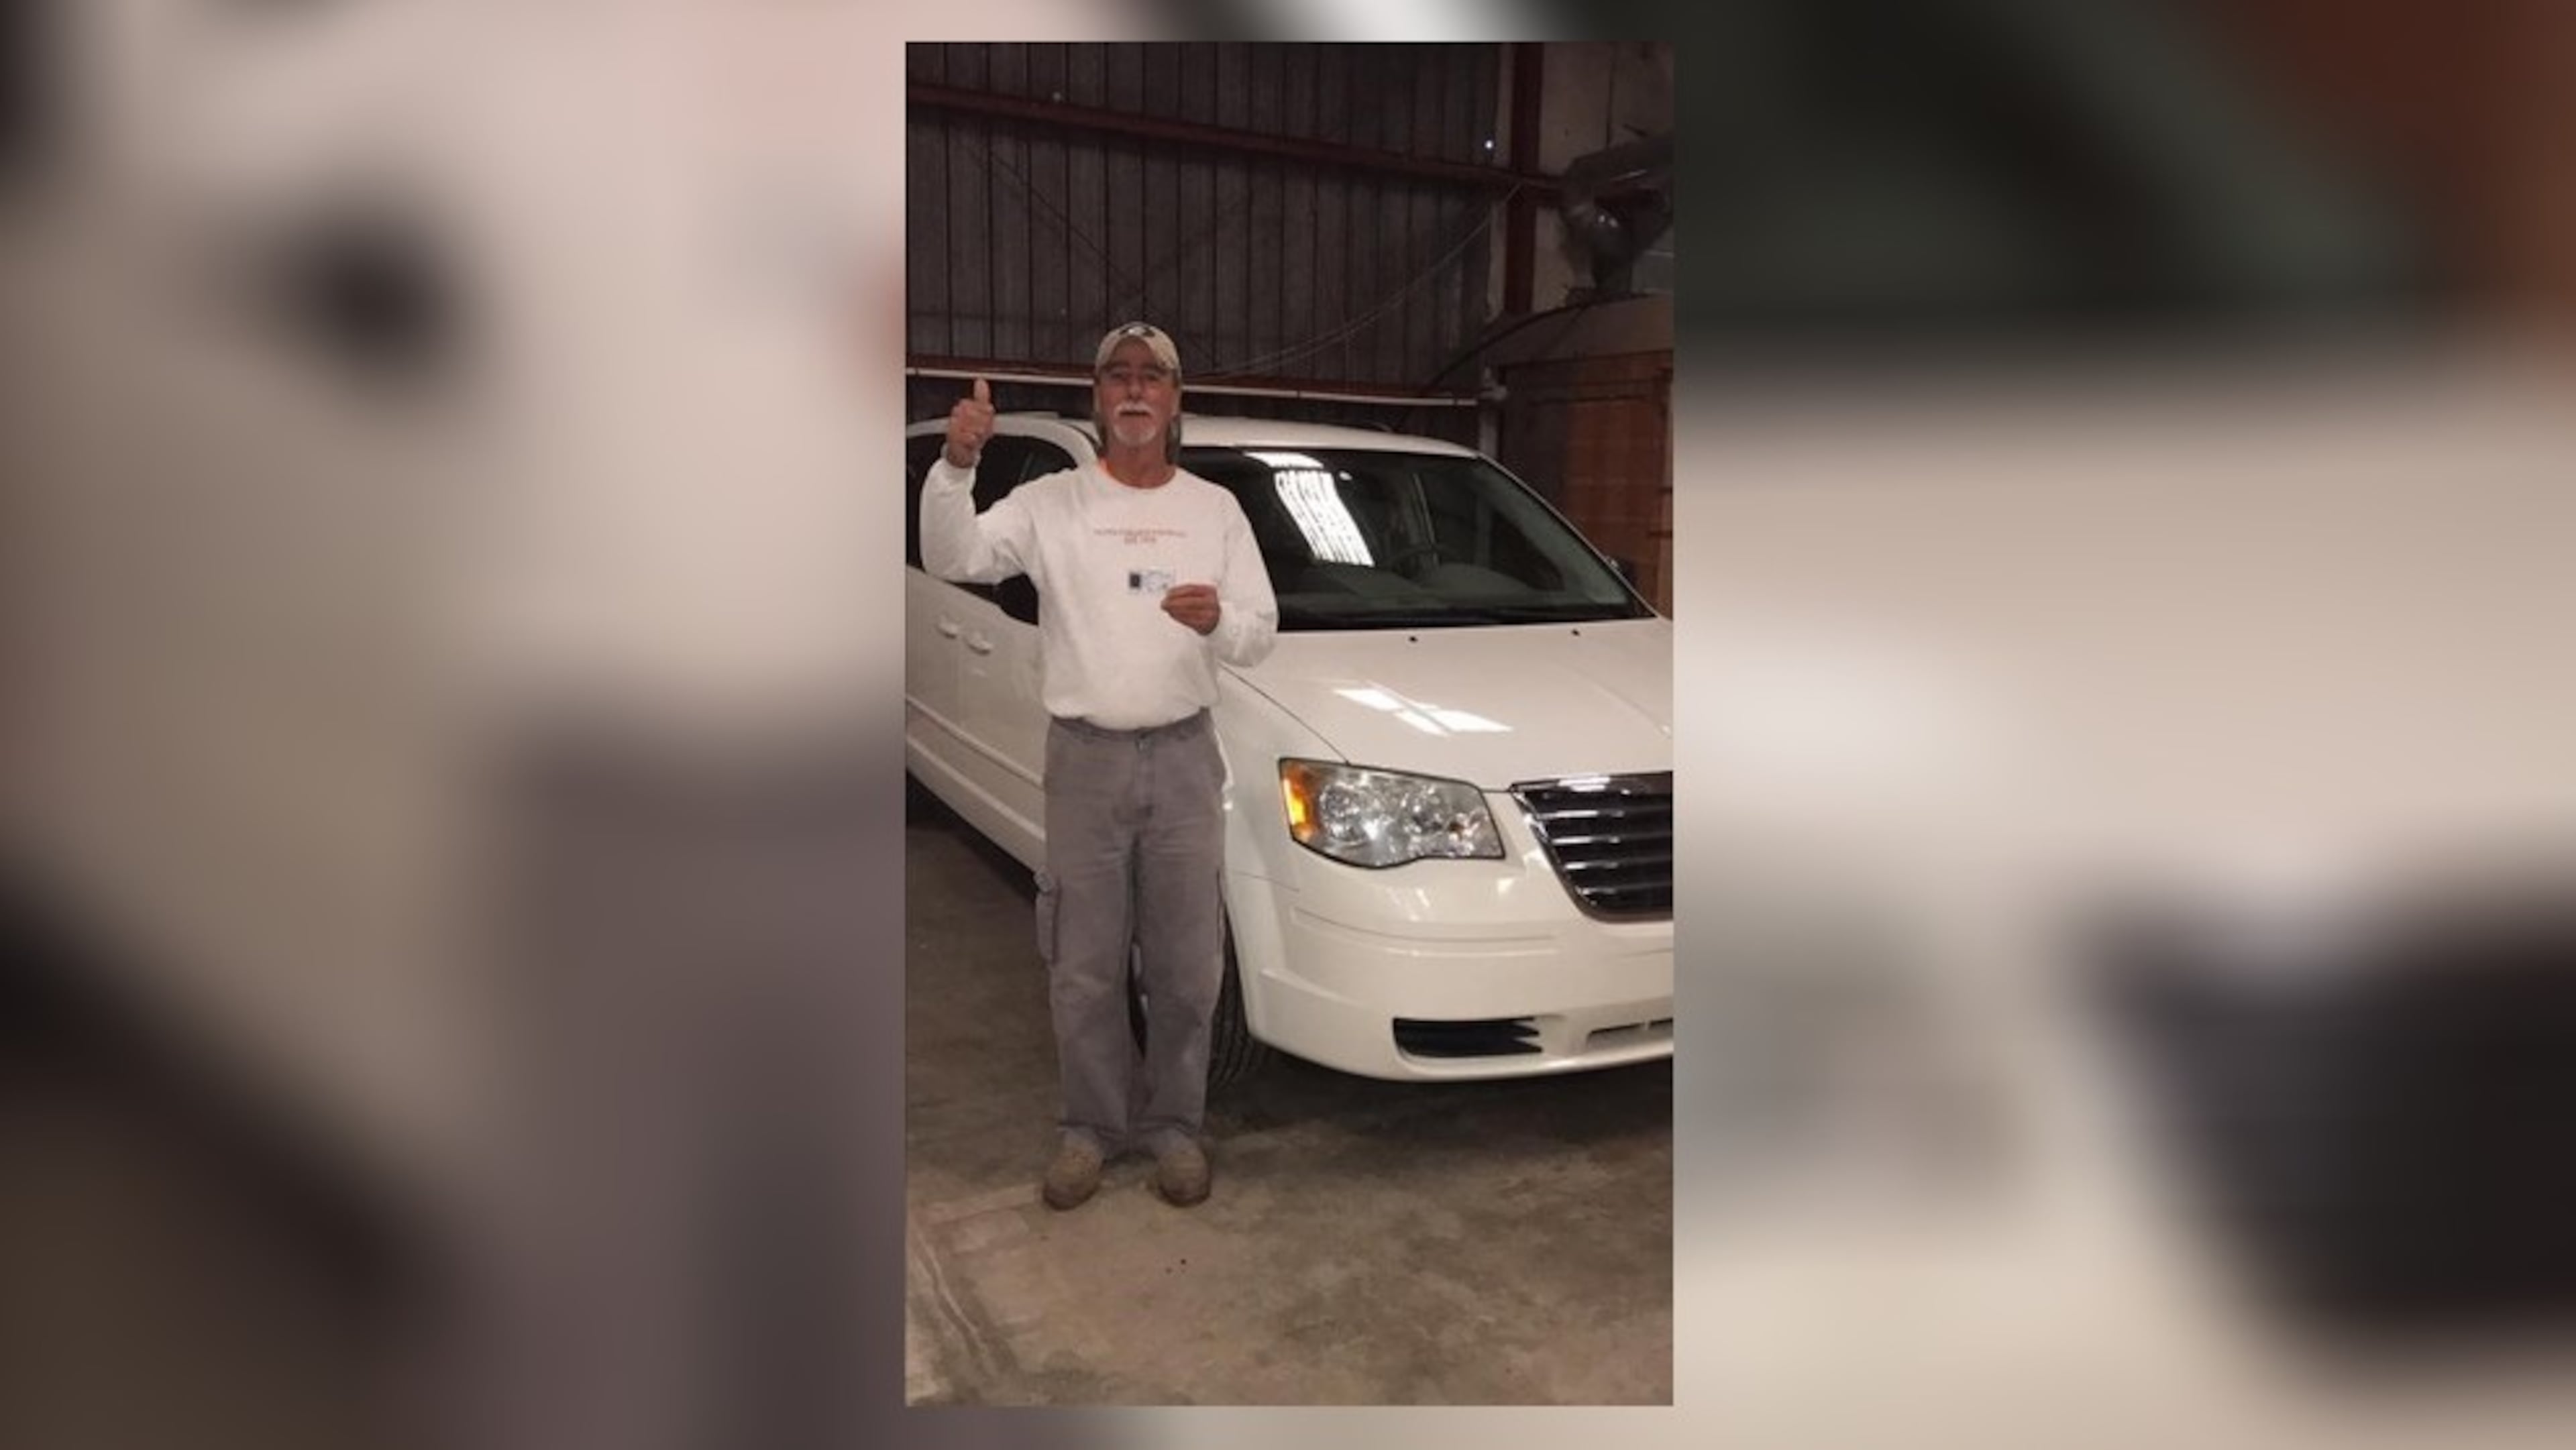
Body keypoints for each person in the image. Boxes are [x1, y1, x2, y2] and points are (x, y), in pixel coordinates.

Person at [918, 322, 1279, 1209]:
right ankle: (1090, 1127)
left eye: (1151, 376)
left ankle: (1175, 1127)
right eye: (1117, 374)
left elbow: (1261, 631)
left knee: (1188, 965)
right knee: (1082, 959)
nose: (1134, 389)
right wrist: (958, 466)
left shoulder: (1214, 510)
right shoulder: (1052, 503)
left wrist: (1218, 624)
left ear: (1173, 400)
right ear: (1098, 397)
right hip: (1083, 761)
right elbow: (953, 555)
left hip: (1187, 759)